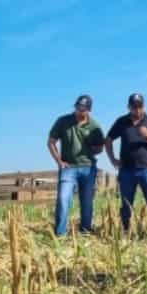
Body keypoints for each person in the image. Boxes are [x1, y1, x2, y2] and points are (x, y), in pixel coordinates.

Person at [106, 93, 147, 233]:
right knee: (126, 204)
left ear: (144, 106)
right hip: (127, 170)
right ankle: (124, 231)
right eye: (134, 107)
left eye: (140, 107)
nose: (138, 110)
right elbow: (108, 140)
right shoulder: (121, 122)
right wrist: (112, 159)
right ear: (129, 107)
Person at [47, 94, 105, 236]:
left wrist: (91, 149)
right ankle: (60, 233)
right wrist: (59, 161)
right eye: (77, 108)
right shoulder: (63, 121)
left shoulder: (94, 126)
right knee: (63, 199)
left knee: (86, 202)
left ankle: (85, 230)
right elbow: (51, 142)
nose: (79, 111)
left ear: (89, 110)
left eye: (83, 109)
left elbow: (100, 147)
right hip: (68, 168)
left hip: (88, 168)